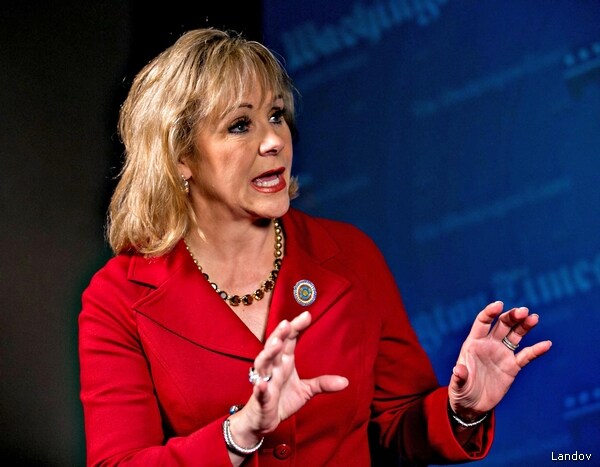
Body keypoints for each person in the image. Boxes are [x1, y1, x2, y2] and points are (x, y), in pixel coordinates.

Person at [78, 28, 552, 466]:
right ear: (181, 157)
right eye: (240, 125)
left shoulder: (351, 255)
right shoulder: (117, 298)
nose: (274, 140)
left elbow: (395, 424)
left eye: (276, 115)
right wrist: (240, 432)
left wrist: (462, 411)